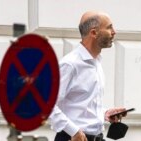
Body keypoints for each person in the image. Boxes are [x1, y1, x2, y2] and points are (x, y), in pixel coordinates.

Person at [48, 10, 126, 141]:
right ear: (94, 33)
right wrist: (73, 131)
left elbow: (82, 105)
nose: (114, 32)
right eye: (109, 27)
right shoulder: (70, 64)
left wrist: (104, 114)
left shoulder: (96, 62)